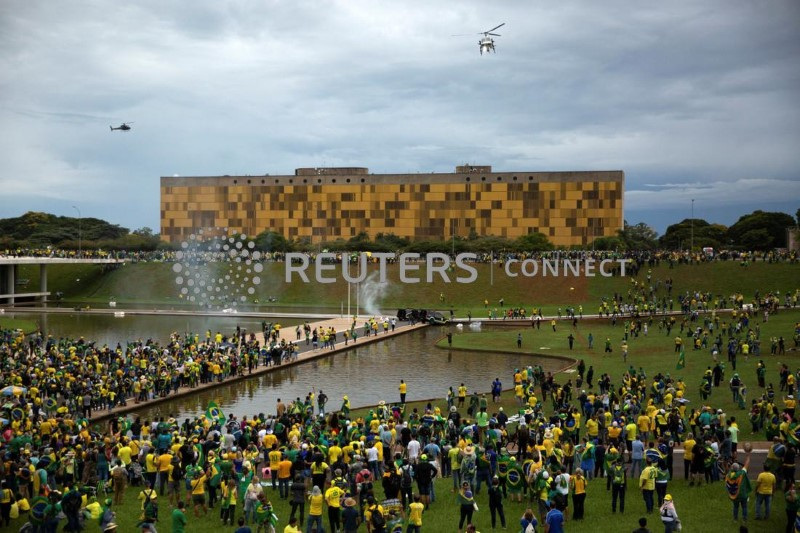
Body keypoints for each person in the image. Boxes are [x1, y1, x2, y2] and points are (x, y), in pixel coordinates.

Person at [725, 451, 752, 523]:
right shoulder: (742, 474)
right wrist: (748, 456)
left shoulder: (728, 475)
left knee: (736, 507)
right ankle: (744, 519)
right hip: (742, 494)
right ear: (738, 468)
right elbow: (746, 465)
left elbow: (727, 470)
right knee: (744, 507)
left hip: (734, 495)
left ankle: (735, 519)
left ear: (732, 468)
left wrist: (727, 464)